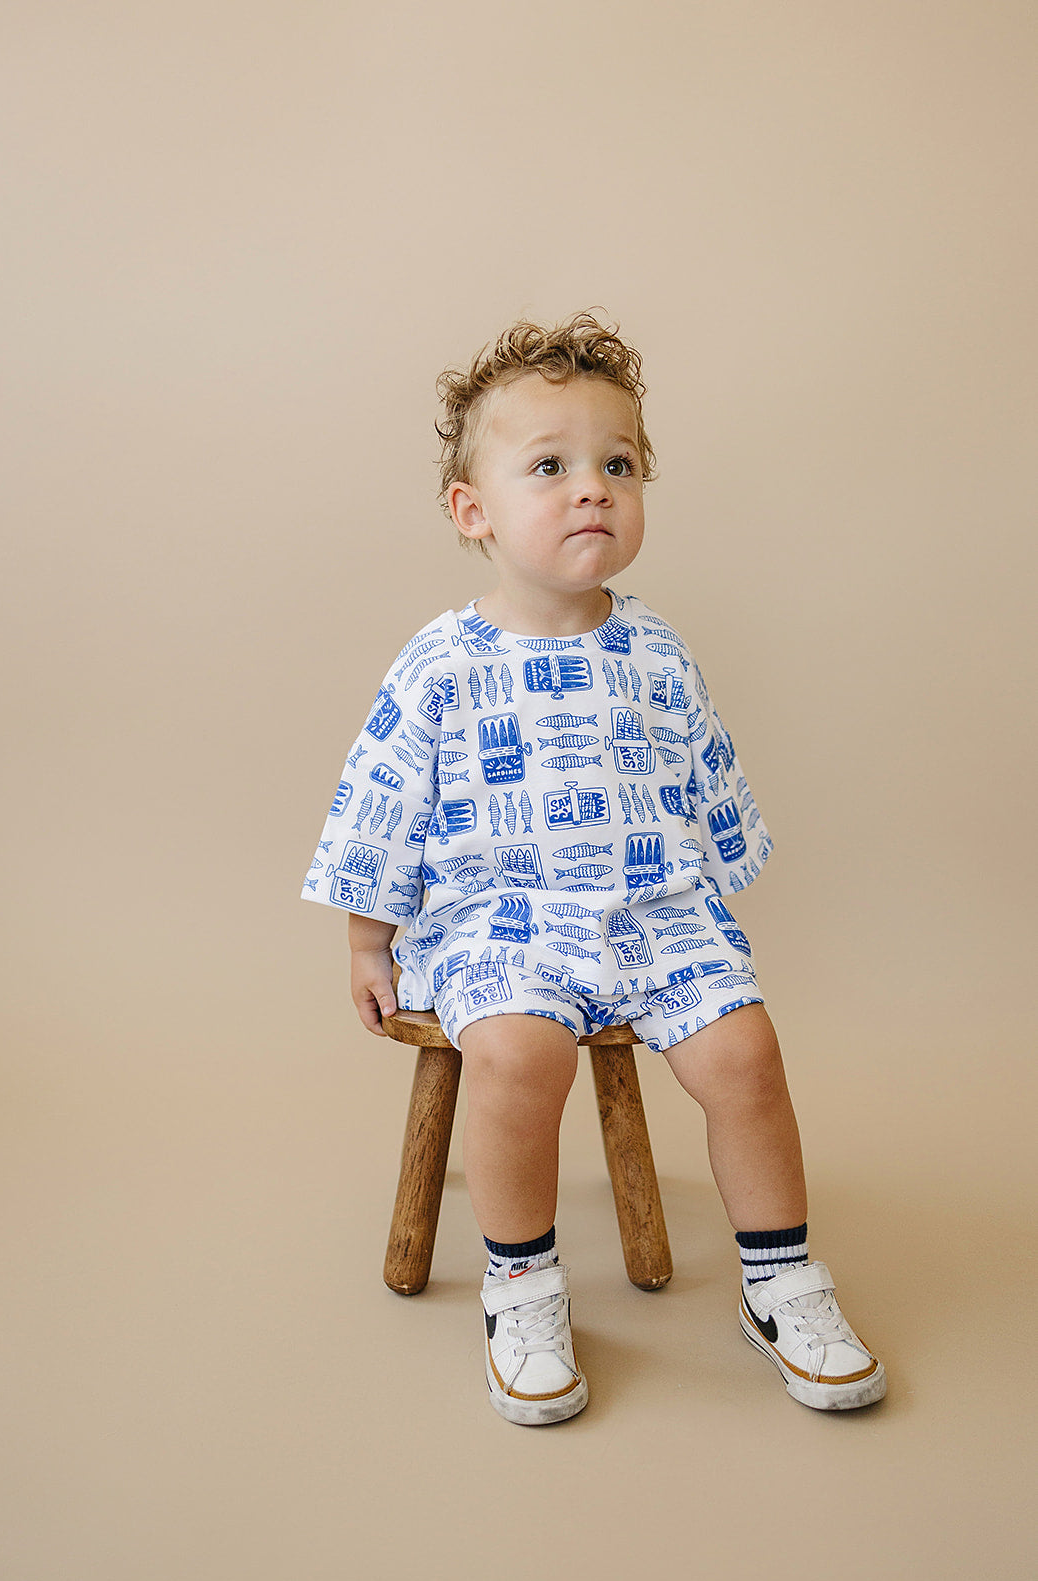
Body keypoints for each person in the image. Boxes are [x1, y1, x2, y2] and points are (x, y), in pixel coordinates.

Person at [302, 312, 886, 1424]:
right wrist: (367, 942)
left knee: (745, 1050)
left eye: (617, 465)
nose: (592, 490)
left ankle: (779, 1278)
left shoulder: (654, 648)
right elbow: (377, 802)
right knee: (518, 1056)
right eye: (550, 468)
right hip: (500, 918)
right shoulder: (442, 663)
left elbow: (703, 770)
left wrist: (716, 891)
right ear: (472, 510)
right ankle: (521, 1284)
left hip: (653, 907)